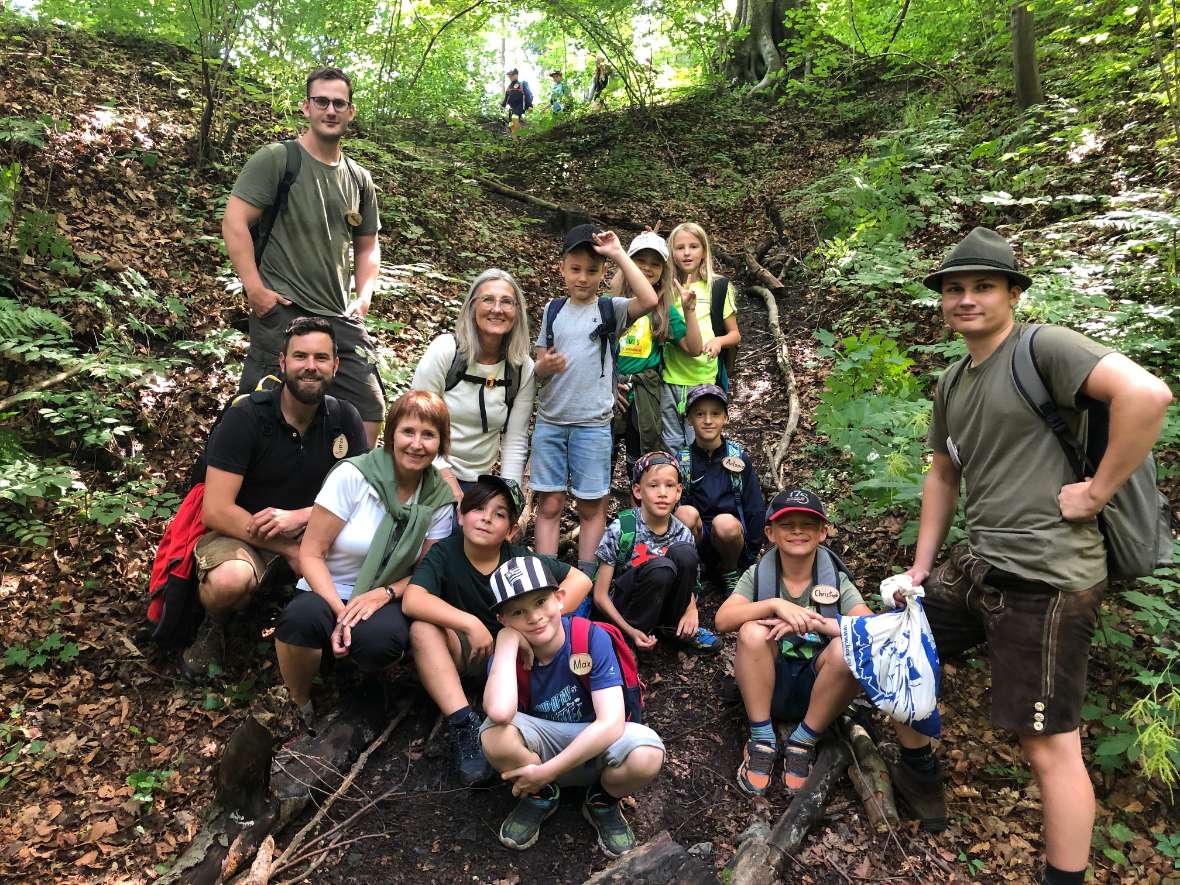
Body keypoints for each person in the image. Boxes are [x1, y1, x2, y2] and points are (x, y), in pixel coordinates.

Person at [892, 227, 1172, 885]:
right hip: (980, 566)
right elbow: (941, 474)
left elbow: (1147, 395)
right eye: (954, 288)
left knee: (1049, 745)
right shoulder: (954, 380)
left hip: (1046, 581)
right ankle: (920, 775)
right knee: (896, 648)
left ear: (1012, 292)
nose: (966, 299)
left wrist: (1098, 490)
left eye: (983, 286)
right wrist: (921, 567)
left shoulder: (1043, 347)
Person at [184, 317, 368, 682]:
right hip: (244, 532)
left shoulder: (345, 418)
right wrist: (288, 548)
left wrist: (301, 518)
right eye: (300, 357)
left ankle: (337, 640)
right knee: (228, 581)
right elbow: (217, 509)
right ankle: (215, 624)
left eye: (320, 357)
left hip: (314, 532)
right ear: (282, 362)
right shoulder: (246, 417)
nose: (310, 366)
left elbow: (364, 498)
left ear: (336, 365)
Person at [223, 67, 384, 448]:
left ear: (350, 111)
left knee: (369, 407)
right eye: (322, 101)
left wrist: (362, 298)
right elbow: (235, 221)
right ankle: (242, 494)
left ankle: (338, 496)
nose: (330, 109)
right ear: (306, 107)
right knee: (260, 409)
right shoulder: (279, 159)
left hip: (337, 315)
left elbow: (367, 246)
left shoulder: (359, 179)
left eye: (338, 103)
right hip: (283, 307)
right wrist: (256, 290)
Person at [273, 390, 455, 728]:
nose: (417, 444)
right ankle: (300, 701)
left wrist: (383, 595)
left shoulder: (438, 498)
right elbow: (311, 553)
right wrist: (341, 612)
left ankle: (364, 687)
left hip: (385, 594)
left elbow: (427, 572)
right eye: (408, 432)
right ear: (391, 436)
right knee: (300, 621)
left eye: (429, 435)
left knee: (380, 640)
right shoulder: (353, 476)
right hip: (328, 585)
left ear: (441, 443)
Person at [401, 476, 592, 786]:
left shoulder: (518, 560)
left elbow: (580, 581)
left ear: (512, 530)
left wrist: (533, 626)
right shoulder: (445, 553)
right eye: (477, 508)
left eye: (500, 513)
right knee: (423, 629)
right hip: (469, 652)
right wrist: (469, 622)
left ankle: (534, 725)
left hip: (517, 661)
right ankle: (463, 723)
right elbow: (413, 599)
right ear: (460, 516)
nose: (486, 518)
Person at [480, 556, 665, 857]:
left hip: (595, 750)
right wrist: (505, 642)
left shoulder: (590, 638)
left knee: (648, 753)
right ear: (504, 620)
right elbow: (500, 713)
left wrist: (546, 771)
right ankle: (541, 795)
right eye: (517, 612)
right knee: (492, 734)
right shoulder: (507, 658)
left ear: (560, 598)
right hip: (541, 752)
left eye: (541, 602)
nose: (534, 617)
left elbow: (611, 723)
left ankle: (602, 799)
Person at [714, 489, 872, 795]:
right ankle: (761, 737)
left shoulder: (835, 580)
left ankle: (804, 740)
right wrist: (774, 605)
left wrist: (816, 622)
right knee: (751, 632)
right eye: (788, 525)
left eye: (808, 524)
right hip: (767, 682)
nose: (798, 531)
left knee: (848, 648)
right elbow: (723, 620)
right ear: (770, 533)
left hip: (820, 687)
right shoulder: (759, 575)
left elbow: (869, 626)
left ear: (823, 532)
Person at [531, 224, 658, 581]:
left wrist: (619, 254)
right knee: (550, 503)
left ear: (604, 273)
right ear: (561, 268)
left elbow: (648, 300)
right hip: (551, 423)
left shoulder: (610, 309)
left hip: (593, 425)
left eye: (591, 270)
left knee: (591, 504)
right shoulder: (552, 310)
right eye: (575, 269)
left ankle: (584, 579)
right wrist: (544, 366)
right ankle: (545, 578)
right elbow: (539, 365)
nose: (582, 278)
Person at [410, 269, 535, 499]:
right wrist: (448, 483)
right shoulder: (446, 350)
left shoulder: (521, 367)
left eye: (507, 302)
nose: (497, 309)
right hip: (424, 467)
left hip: (478, 482)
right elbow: (415, 421)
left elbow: (515, 441)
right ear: (472, 307)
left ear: (517, 312)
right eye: (488, 299)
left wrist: (510, 498)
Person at [593, 452, 719, 654]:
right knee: (662, 567)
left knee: (684, 553)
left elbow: (690, 581)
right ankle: (626, 642)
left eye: (669, 486)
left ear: (678, 492)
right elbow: (600, 596)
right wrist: (630, 630)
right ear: (637, 490)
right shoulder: (622, 528)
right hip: (627, 611)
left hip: (662, 600)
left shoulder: (682, 533)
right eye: (653, 486)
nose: (662, 493)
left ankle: (671, 627)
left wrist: (691, 610)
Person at [607, 231, 702, 475]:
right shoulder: (610, 304)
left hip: (645, 396)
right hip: (609, 392)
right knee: (602, 459)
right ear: (628, 263)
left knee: (640, 462)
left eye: (655, 264)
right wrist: (609, 383)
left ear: (663, 271)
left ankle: (638, 509)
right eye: (641, 261)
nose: (647, 268)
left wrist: (690, 310)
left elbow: (693, 348)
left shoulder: (663, 309)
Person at [674, 384, 765, 593]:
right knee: (684, 513)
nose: (707, 420)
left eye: (715, 413)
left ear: (725, 417)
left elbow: (754, 506)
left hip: (731, 538)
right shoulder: (682, 460)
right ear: (689, 419)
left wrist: (751, 552)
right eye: (700, 414)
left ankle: (730, 571)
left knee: (724, 523)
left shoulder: (737, 457)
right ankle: (693, 570)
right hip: (696, 537)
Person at [660, 223, 741, 452]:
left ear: (704, 251)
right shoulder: (666, 288)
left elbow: (735, 334)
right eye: (680, 247)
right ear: (671, 253)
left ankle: (702, 486)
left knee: (700, 441)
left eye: (693, 246)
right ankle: (679, 486)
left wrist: (718, 341)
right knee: (672, 443)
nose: (687, 253)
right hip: (670, 378)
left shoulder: (718, 287)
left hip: (704, 379)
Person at [502, 68, 533, 137]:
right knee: (511, 125)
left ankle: (520, 134)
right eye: (509, 75)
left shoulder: (522, 83)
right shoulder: (509, 87)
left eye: (512, 75)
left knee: (515, 117)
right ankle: (516, 141)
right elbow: (506, 98)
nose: (511, 77)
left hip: (520, 105)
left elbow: (527, 94)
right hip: (512, 107)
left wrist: (530, 105)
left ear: (516, 75)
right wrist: (502, 106)